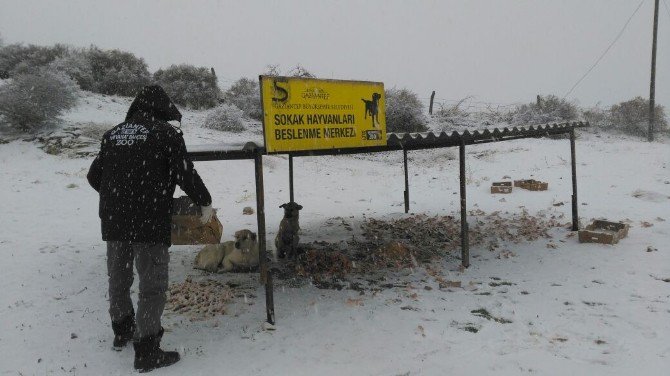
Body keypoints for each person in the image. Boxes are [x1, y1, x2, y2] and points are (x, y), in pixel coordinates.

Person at [87, 85, 213, 372]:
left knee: (118, 278)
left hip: (114, 221)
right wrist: (204, 202)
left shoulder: (113, 134)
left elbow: (94, 176)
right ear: (161, 109)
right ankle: (146, 351)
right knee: (152, 285)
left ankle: (122, 330)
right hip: (148, 221)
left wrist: (117, 197)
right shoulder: (166, 134)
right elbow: (185, 173)